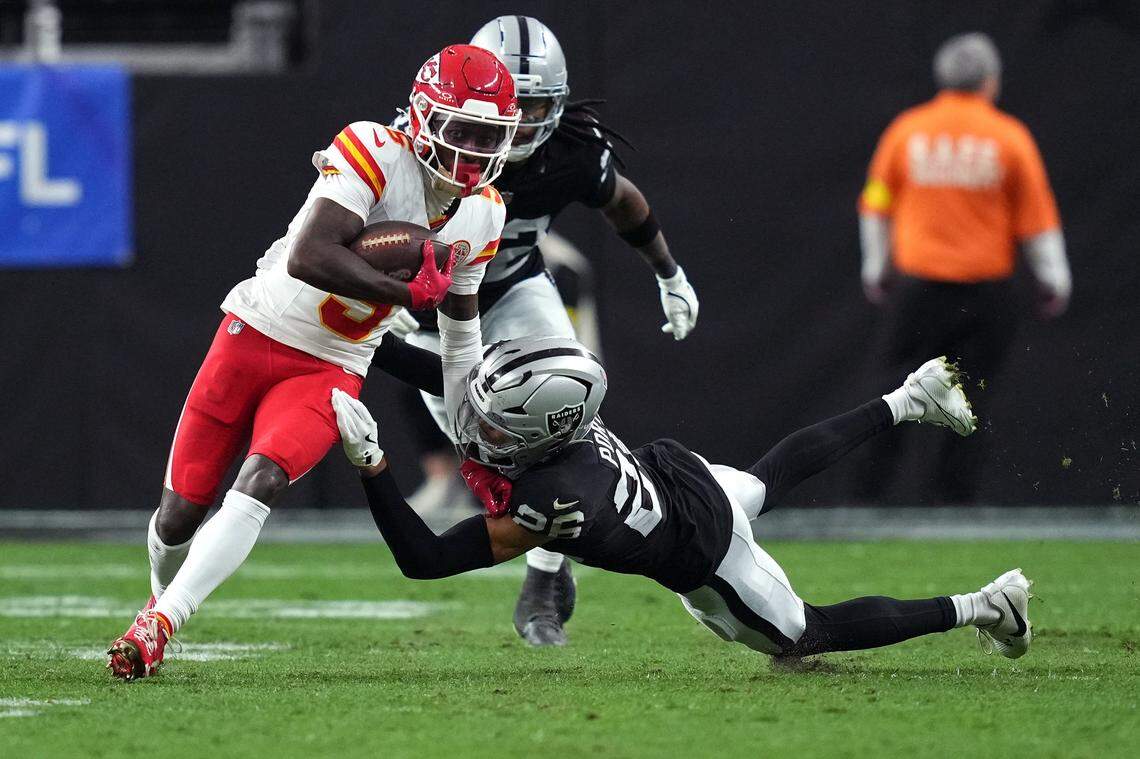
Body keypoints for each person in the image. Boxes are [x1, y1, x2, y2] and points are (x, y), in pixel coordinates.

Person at [105, 44, 520, 681]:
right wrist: (404, 293)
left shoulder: (486, 210)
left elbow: (461, 335)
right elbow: (310, 255)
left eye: (486, 135)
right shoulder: (376, 149)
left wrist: (469, 436)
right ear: (423, 113)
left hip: (332, 362)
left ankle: (162, 623)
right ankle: (158, 599)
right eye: (460, 129)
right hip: (256, 330)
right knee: (179, 513)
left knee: (263, 478)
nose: (471, 150)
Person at [333, 337, 1034, 661]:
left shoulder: (552, 496)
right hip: (680, 476)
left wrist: (372, 464)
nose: (477, 427)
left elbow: (425, 558)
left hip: (704, 552)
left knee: (804, 635)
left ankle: (987, 605)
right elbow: (459, 382)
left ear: (538, 431)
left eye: (496, 422)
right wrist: (362, 340)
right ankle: (909, 396)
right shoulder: (563, 419)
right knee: (767, 478)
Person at [379, 15, 699, 647]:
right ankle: (539, 549)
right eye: (513, 105)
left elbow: (622, 200)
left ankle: (545, 573)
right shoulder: (429, 141)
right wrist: (371, 293)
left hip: (517, 285)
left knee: (563, 407)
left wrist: (669, 272)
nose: (522, 124)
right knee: (490, 442)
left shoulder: (568, 150)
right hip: (430, 309)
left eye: (538, 107)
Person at [857, 32, 1071, 502]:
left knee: (894, 394)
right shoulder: (1008, 138)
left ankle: (867, 501)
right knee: (970, 401)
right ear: (990, 82)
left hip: (918, 291)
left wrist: (876, 265)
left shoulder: (907, 131)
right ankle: (953, 507)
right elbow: (1036, 219)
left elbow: (875, 202)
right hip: (984, 294)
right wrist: (1054, 275)